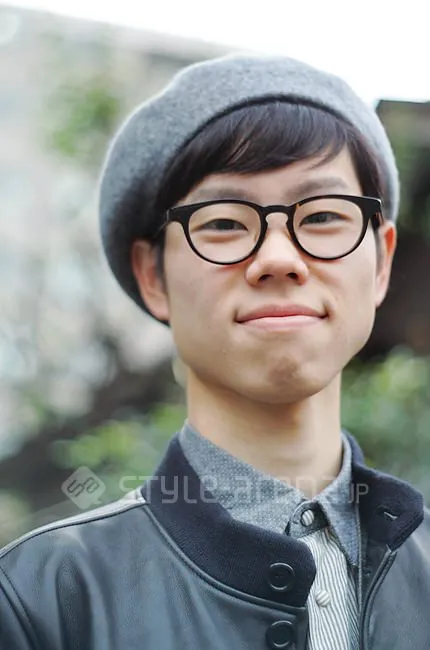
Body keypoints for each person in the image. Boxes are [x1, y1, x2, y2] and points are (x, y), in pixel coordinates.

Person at [0, 54, 429, 650]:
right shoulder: (41, 599)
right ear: (152, 275)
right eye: (224, 223)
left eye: (324, 216)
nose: (278, 259)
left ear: (381, 262)